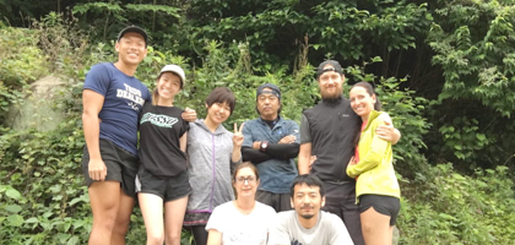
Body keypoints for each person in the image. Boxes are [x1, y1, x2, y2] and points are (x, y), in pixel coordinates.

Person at [297, 60, 401, 245]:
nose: (330, 81)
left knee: (358, 241)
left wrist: (395, 135)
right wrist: (305, 186)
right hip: (323, 189)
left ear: (342, 79)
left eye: (334, 77)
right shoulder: (309, 115)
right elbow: (304, 154)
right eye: (325, 78)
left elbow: (378, 124)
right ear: (318, 82)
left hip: (354, 190)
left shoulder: (355, 107)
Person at [81, 25, 151, 245]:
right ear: (117, 46)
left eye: (140, 44)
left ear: (146, 52)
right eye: (128, 41)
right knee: (105, 219)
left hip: (131, 156)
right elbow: (89, 113)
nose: (134, 47)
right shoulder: (103, 71)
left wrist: (185, 117)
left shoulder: (144, 90)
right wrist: (95, 156)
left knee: (120, 226)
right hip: (106, 147)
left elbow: (152, 124)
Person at [135, 64, 191, 245]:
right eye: (165, 80)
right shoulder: (143, 109)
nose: (168, 85)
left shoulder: (182, 115)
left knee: (173, 238)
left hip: (177, 178)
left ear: (179, 89)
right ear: (158, 81)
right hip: (150, 176)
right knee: (156, 237)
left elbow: (182, 150)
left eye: (175, 83)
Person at [184, 87, 243, 245]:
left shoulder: (230, 137)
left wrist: (237, 147)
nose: (222, 111)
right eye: (219, 104)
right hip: (197, 202)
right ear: (207, 104)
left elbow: (236, 169)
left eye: (227, 108)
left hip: (224, 203)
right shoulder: (190, 128)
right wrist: (183, 115)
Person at [346, 82, 401, 245]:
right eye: (352, 99)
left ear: (373, 98)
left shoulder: (380, 118)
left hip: (375, 193)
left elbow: (375, 156)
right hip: (385, 193)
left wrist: (352, 170)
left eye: (361, 97)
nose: (357, 103)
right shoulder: (363, 126)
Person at [241, 83, 299, 212]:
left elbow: (293, 150)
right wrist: (279, 148)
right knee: (261, 229)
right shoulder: (248, 126)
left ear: (279, 103)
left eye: (271, 98)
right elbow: (247, 154)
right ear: (257, 104)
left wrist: (262, 146)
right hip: (261, 187)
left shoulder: (290, 125)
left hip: (287, 186)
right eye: (262, 98)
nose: (267, 102)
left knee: (288, 229)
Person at [269, 174, 354, 245]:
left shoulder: (333, 222)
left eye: (313, 196)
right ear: (292, 201)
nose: (306, 201)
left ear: (322, 200)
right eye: (300, 196)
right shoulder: (281, 220)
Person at [205, 162, 277, 245]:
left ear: (257, 182)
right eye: (241, 179)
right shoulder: (220, 212)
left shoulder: (268, 213)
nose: (246, 184)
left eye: (250, 179)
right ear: (234, 183)